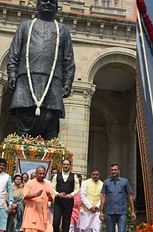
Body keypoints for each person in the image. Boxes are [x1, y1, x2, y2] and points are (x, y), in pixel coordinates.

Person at [6, 0, 75, 140]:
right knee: (25, 116)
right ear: (37, 5)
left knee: (50, 118)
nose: (48, 3)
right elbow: (14, 53)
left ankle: (49, 158)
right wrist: (12, 74)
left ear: (57, 7)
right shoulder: (25, 26)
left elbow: (68, 60)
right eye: (44, 0)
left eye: (52, 1)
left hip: (53, 83)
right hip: (26, 81)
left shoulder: (63, 30)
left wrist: (68, 82)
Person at [99, 164, 135, 232]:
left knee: (122, 230)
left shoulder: (125, 181)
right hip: (109, 212)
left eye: (115, 170)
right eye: (112, 170)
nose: (113, 171)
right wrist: (101, 211)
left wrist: (133, 211)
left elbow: (130, 195)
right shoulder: (106, 182)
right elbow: (103, 196)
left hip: (122, 212)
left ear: (119, 171)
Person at [21, 166, 54, 232]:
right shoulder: (30, 183)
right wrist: (36, 194)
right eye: (40, 173)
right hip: (32, 212)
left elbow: (52, 200)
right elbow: (25, 196)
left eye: (43, 174)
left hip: (44, 213)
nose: (42, 175)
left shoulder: (48, 184)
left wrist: (49, 196)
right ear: (36, 174)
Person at [51, 159, 79, 232]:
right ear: (62, 165)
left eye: (67, 164)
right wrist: (58, 194)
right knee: (55, 222)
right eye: (64, 164)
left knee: (66, 223)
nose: (66, 166)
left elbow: (77, 189)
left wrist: (71, 195)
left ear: (70, 166)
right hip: (58, 202)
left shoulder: (74, 176)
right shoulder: (56, 176)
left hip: (69, 202)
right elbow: (52, 188)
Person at [0, 158, 14, 232]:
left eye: (3, 165)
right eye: (0, 165)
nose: (1, 167)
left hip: (2, 203)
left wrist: (11, 202)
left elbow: (10, 190)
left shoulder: (7, 177)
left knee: (2, 225)